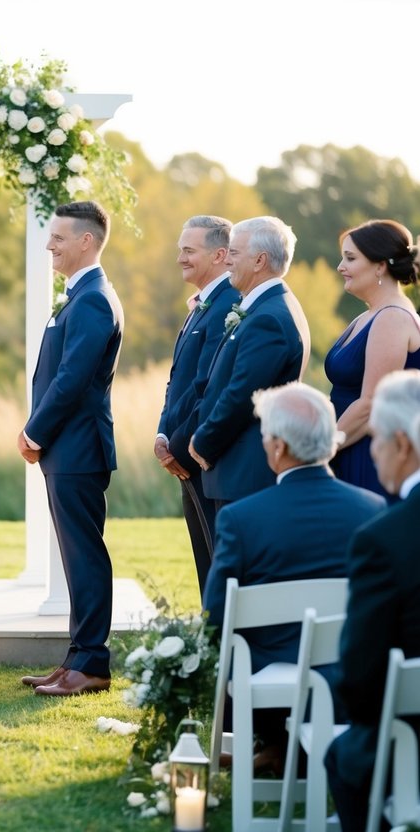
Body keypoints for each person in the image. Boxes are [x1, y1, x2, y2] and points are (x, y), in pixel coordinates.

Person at [203, 382, 384, 765]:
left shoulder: (241, 518)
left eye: (265, 435)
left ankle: (276, 745)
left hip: (270, 682)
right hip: (354, 670)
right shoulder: (374, 510)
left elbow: (215, 614)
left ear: (279, 447)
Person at [17, 200, 123, 697]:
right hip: (68, 446)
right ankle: (75, 659)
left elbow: (73, 379)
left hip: (77, 446)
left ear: (86, 240)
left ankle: (93, 664)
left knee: (84, 555)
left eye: (58, 238)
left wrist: (35, 431)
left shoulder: (95, 299)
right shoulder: (79, 296)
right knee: (74, 554)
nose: (49, 246)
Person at [325, 370, 420, 832]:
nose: (374, 451)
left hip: (408, 734)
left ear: (402, 444)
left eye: (377, 439)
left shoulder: (382, 539)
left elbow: (360, 678)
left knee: (342, 759)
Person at [189, 216, 311, 511]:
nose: (227, 261)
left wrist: (202, 441)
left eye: (234, 253)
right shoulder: (264, 307)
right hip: (236, 469)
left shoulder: (269, 317)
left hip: (245, 470)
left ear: (259, 260)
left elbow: (242, 393)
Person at [154, 216, 239, 596]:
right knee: (203, 562)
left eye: (189, 250)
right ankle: (209, 646)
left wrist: (181, 447)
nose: (180, 259)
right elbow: (178, 380)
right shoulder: (202, 305)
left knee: (216, 565)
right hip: (183, 450)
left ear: (220, 254)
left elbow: (208, 385)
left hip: (202, 454)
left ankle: (215, 647)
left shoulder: (226, 305)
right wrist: (162, 433)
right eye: (180, 250)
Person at [325, 219, 420, 499]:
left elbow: (370, 404)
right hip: (346, 446)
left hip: (365, 455)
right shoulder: (367, 316)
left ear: (380, 265)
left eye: (350, 258)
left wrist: (317, 451)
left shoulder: (391, 317)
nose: (341, 267)